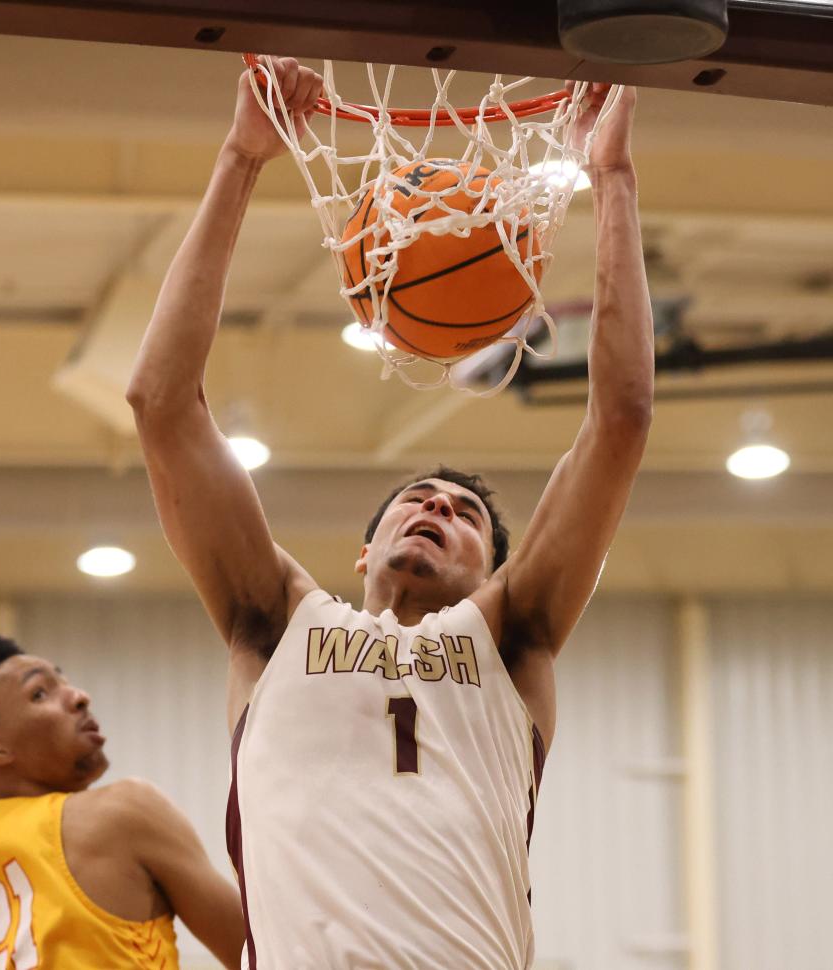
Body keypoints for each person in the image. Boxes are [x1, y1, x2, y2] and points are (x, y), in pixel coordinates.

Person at [127, 57, 653, 970]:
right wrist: (242, 158)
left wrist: (611, 179)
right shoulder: (275, 621)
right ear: (364, 547)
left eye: (462, 516)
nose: (435, 509)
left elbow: (621, 420)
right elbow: (161, 404)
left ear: (489, 573)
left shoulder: (512, 638)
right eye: (418, 500)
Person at [0, 628, 245, 970]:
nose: (79, 696)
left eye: (65, 682)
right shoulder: (122, 812)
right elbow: (262, 952)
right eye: (40, 693)